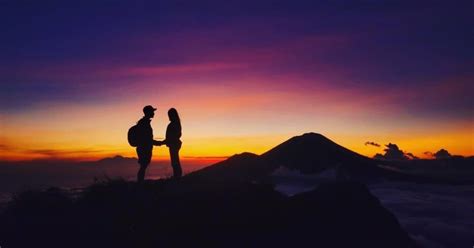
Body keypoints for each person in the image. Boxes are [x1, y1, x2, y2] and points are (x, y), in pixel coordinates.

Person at [135, 105, 161, 183]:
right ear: (148, 112)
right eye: (152, 111)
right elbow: (147, 140)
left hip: (143, 147)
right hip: (144, 148)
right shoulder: (145, 123)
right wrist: (159, 143)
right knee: (143, 166)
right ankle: (140, 184)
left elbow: (147, 139)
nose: (153, 113)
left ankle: (140, 183)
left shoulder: (143, 122)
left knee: (143, 166)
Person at [162, 108, 182, 178]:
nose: (169, 116)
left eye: (169, 115)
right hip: (175, 144)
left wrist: (164, 142)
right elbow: (178, 134)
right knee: (175, 160)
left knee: (174, 161)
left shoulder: (172, 124)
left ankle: (177, 176)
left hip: (173, 144)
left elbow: (172, 136)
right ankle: (177, 175)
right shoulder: (177, 123)